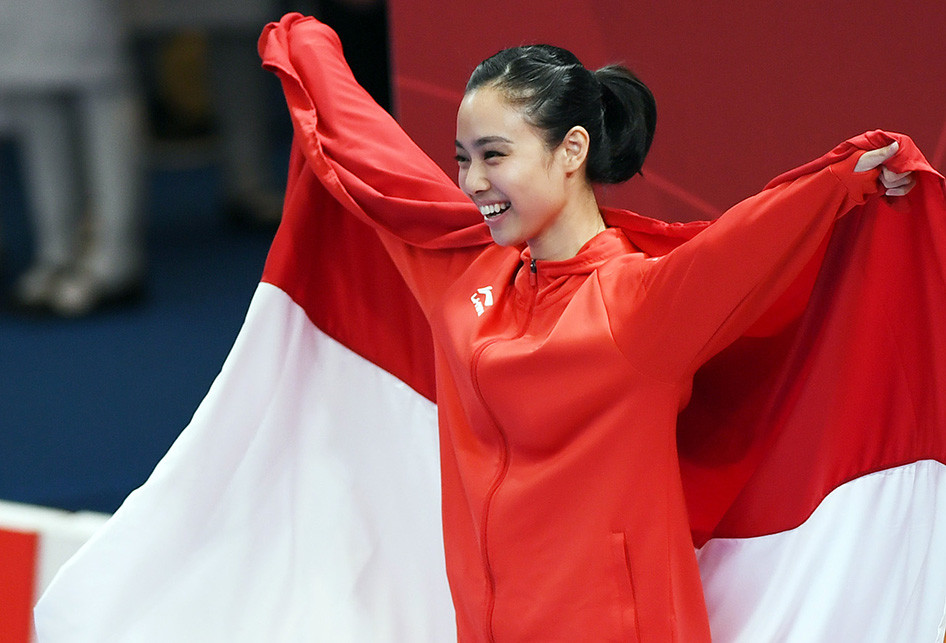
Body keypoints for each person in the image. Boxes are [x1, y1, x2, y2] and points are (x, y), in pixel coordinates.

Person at [33, 13, 945, 643]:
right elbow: (375, 162)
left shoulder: (642, 309)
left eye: (496, 155)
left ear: (573, 150)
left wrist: (849, 179)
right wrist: (305, 50)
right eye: (464, 156)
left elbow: (757, 238)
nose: (471, 180)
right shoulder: (462, 272)